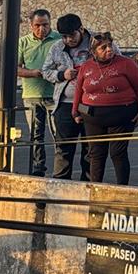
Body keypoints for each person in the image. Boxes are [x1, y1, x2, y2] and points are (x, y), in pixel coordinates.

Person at [73, 32, 138, 185]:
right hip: (93, 117)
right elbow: (79, 90)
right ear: (94, 52)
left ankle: (122, 188)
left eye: (110, 45)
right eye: (103, 48)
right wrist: (75, 111)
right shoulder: (86, 66)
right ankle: (95, 189)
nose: (109, 50)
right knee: (96, 154)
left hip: (121, 115)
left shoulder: (126, 63)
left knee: (117, 152)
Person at [41, 14, 95, 180]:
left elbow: (116, 61)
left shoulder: (97, 43)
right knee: (63, 148)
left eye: (72, 35)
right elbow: (45, 71)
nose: (68, 40)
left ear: (81, 29)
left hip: (91, 104)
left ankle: (88, 184)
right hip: (65, 104)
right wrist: (61, 75)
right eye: (64, 36)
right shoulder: (57, 47)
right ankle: (60, 185)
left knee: (90, 150)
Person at [16, 9, 60, 176]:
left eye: (45, 25)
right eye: (37, 25)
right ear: (31, 25)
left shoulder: (58, 40)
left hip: (54, 95)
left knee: (58, 134)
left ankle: (60, 169)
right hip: (32, 95)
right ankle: (38, 167)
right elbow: (15, 67)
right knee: (36, 135)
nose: (41, 29)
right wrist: (33, 73)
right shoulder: (23, 42)